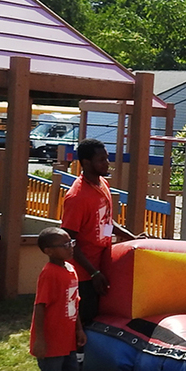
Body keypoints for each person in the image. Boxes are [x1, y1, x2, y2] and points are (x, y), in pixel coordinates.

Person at [61, 138, 138, 328]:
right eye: (101, 160)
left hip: (101, 265)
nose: (107, 163)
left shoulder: (103, 184)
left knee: (99, 318)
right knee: (83, 320)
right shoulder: (76, 197)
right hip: (84, 274)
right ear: (86, 163)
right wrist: (93, 273)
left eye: (107, 158)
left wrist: (132, 238)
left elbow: (106, 221)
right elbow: (69, 240)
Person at [30, 227, 87, 371]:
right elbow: (40, 306)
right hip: (52, 342)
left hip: (68, 339)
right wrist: (40, 340)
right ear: (49, 251)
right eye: (64, 245)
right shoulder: (49, 274)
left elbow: (74, 303)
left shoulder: (70, 270)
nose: (70, 248)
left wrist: (79, 329)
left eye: (71, 243)